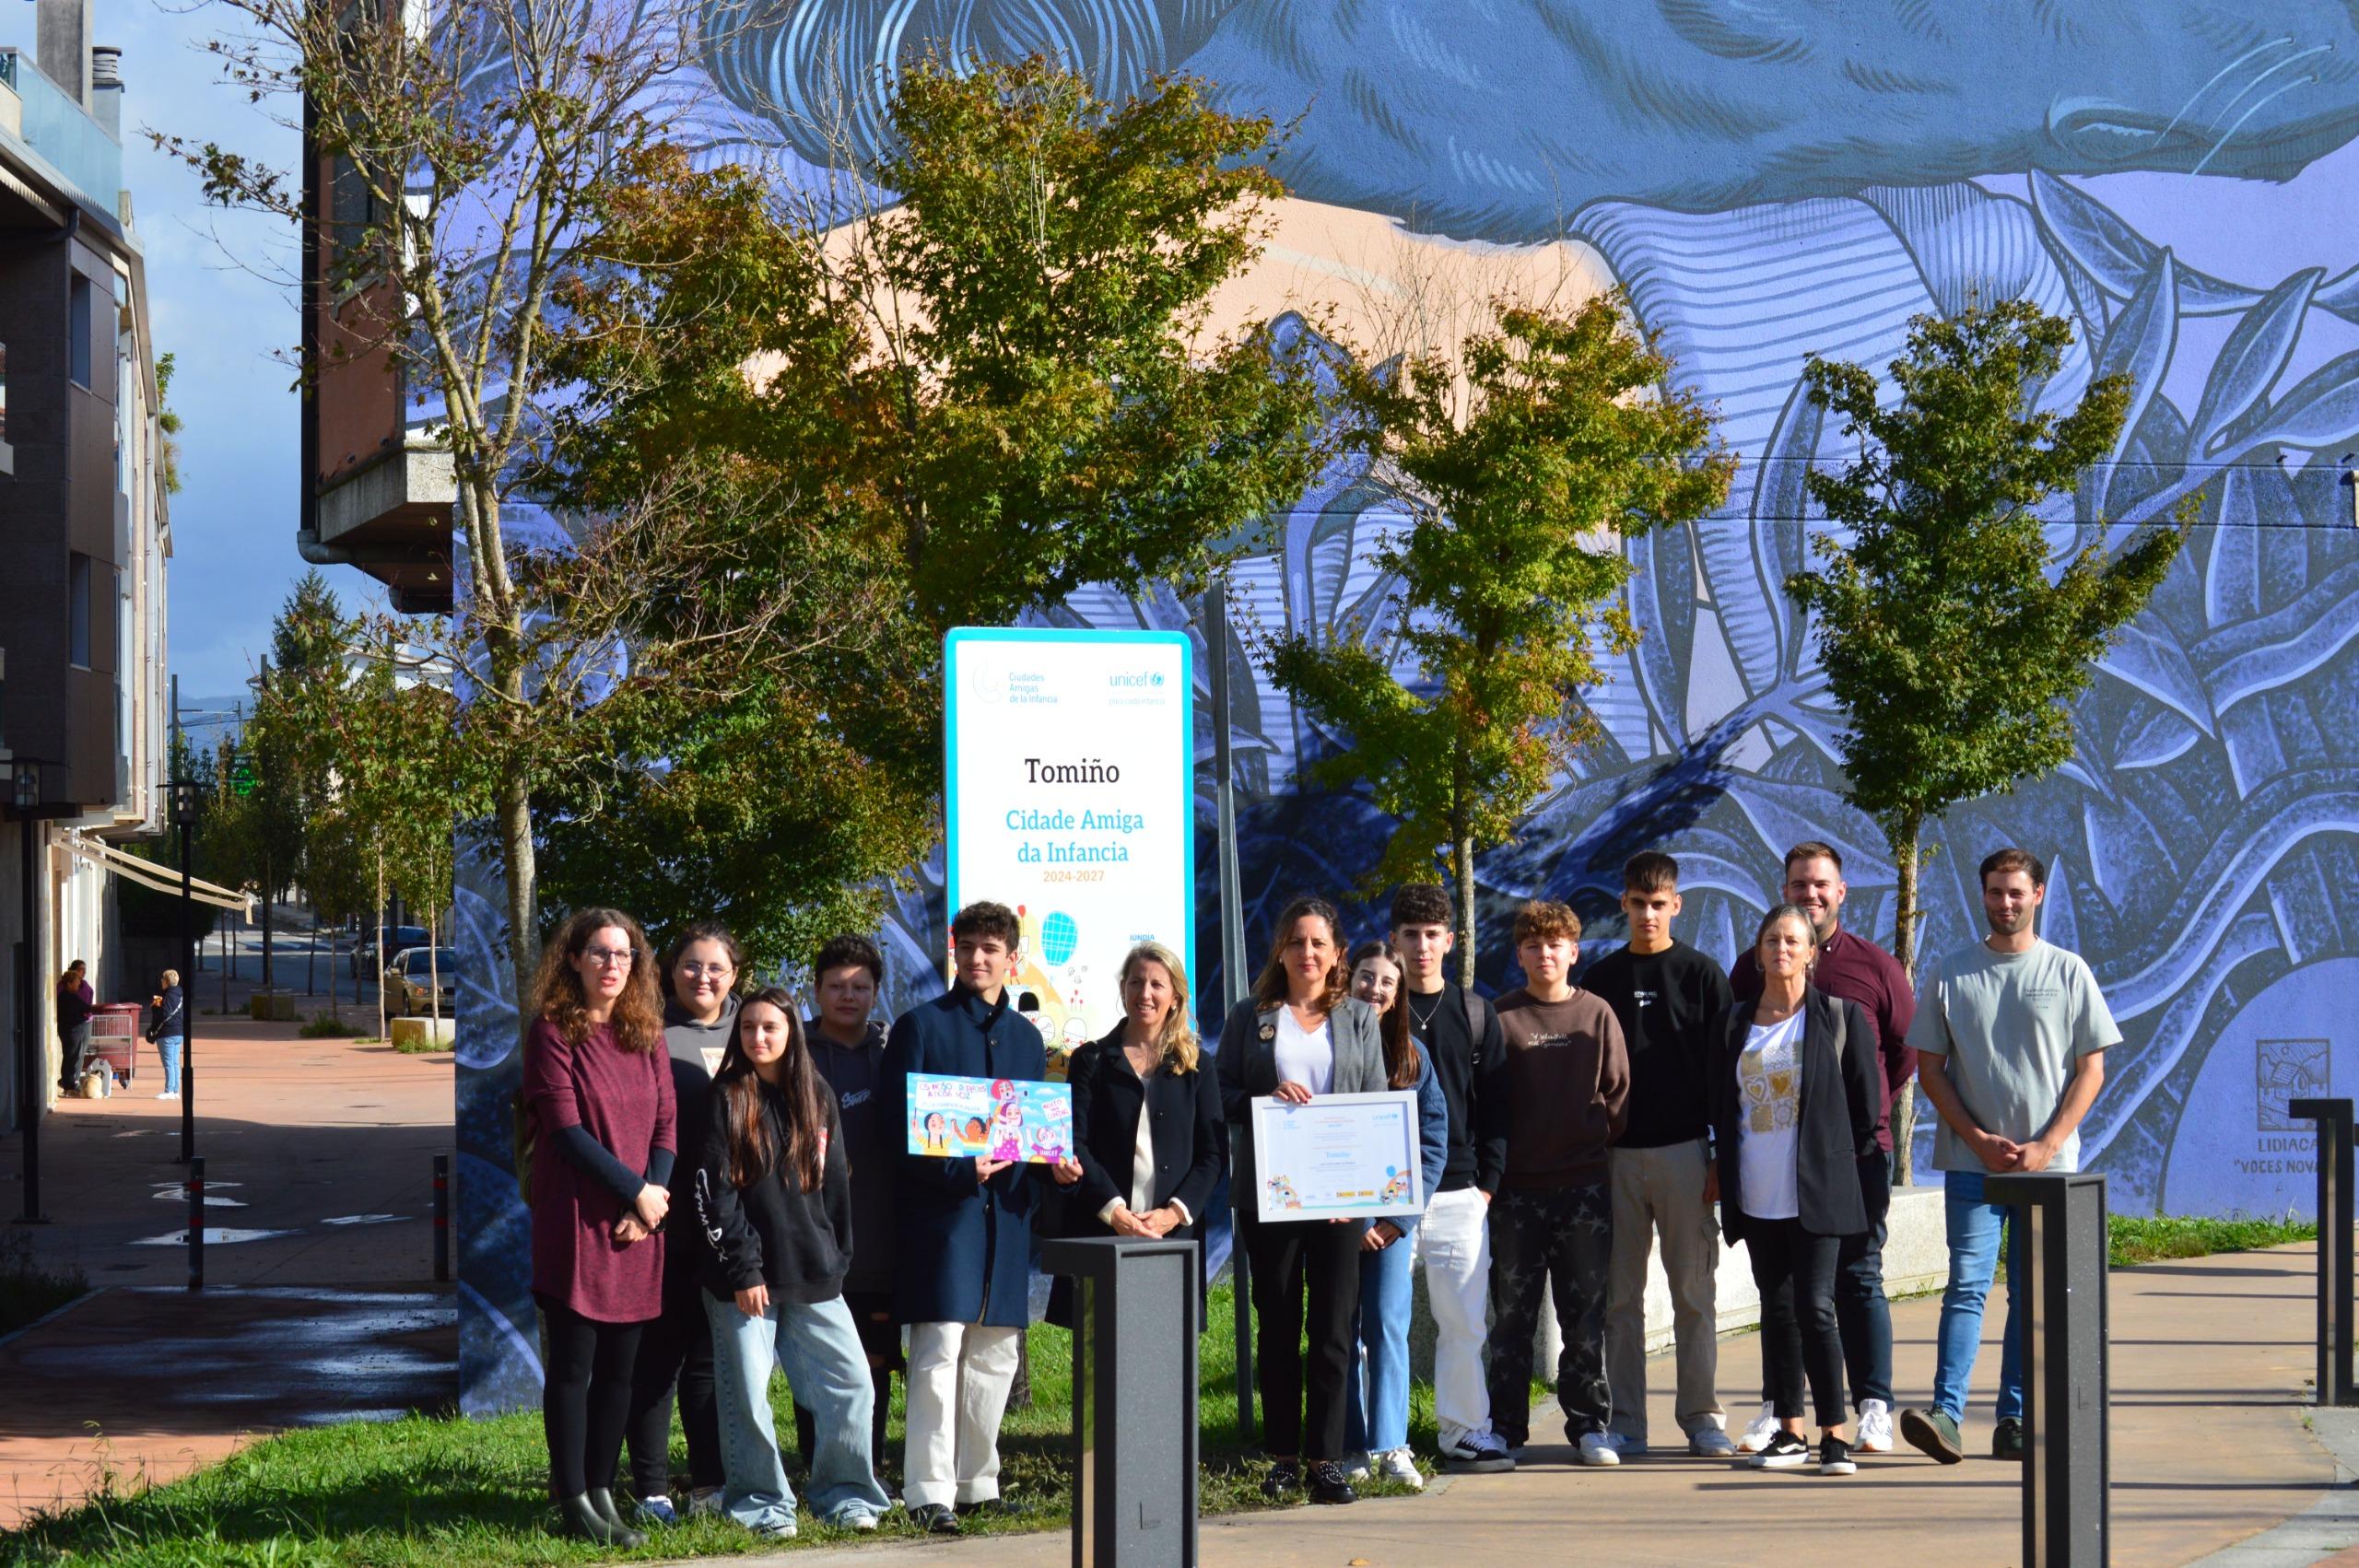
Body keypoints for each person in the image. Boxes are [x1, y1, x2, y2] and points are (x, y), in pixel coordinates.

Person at [1899, 848, 2118, 1466]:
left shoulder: (2069, 971)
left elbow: (2091, 1069)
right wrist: (1976, 1138)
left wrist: (2047, 1145)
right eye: (1995, 891)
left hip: (2048, 1172)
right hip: (1974, 1167)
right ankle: (1946, 1415)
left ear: (2038, 895)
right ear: (1983, 894)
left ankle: (2015, 1418)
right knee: (1967, 1287)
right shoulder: (1951, 972)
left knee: (2030, 1295)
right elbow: (1930, 1069)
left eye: (2016, 892)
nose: (2005, 903)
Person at [881, 900, 1082, 1535]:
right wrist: (955, 1172)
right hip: (943, 1220)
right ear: (954, 949)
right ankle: (928, 1488)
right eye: (967, 947)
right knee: (940, 1350)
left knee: (995, 1354)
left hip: (1008, 1220)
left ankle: (977, 1482)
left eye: (990, 949)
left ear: (1011, 957)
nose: (977, 958)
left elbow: (1030, 1131)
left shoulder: (1027, 1039)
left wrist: (1056, 1165)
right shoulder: (919, 1027)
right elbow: (895, 1134)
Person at [1730, 841, 1917, 1455]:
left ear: (1841, 893)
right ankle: (1782, 1415)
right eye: (1798, 884)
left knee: (1853, 1281)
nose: (1810, 894)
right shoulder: (1748, 973)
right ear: (1784, 890)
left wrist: (1846, 1132)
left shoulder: (1874, 968)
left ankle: (1870, 1407)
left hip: (1854, 1157)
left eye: (1821, 885)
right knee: (1782, 1300)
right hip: (1769, 1170)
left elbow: (1900, 1055)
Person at [694, 987, 893, 1539]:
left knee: (852, 1386)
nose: (758, 1037)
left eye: (770, 1028)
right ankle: (761, 1504)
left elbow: (835, 1187)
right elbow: (713, 1194)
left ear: (790, 1035)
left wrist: (836, 1258)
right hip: (745, 1282)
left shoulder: (817, 1095)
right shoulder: (727, 1097)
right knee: (749, 1400)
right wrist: (742, 1270)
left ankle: (845, 1494)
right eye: (749, 1027)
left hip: (814, 1274)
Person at [1217, 895, 1388, 1506]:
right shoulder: (1252, 1016)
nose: (1307, 953)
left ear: (1337, 953)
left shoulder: (1360, 1019)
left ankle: (1327, 1459)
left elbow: (1372, 1104)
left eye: (1318, 943)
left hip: (1340, 1201)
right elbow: (1223, 1092)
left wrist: (1362, 1192)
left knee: (1336, 1329)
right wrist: (1266, 1097)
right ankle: (1283, 1457)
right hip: (1271, 1196)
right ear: (1280, 951)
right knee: (1279, 1325)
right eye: (1296, 941)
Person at [522, 908, 676, 1548]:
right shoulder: (553, 1032)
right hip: (579, 1223)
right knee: (575, 1368)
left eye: (625, 954)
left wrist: (651, 1202)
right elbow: (565, 1130)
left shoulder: (648, 1033)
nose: (613, 965)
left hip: (638, 1226)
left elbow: (667, 1124)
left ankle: (605, 1489)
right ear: (575, 960)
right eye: (600, 953)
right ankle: (575, 1498)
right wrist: (636, 1193)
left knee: (622, 1371)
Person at [1714, 904, 1880, 1478]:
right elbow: (1723, 1105)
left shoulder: (1838, 1017)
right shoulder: (1736, 1023)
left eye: (1792, 941)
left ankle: (1835, 1434)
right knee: (1778, 1310)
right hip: (1757, 1193)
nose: (1781, 949)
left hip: (1817, 1192)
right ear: (1758, 952)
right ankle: (1790, 1432)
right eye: (1770, 940)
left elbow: (1866, 1109)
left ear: (1812, 952)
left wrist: (1837, 1166)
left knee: (1815, 1306)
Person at [1584, 852, 1734, 1457]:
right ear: (1623, 904)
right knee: (1619, 1301)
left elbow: (1727, 1076)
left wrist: (1722, 1156)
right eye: (1638, 903)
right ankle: (1626, 1424)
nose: (1648, 914)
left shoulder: (1702, 975)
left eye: (1659, 903)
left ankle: (1701, 1418)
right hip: (1615, 1159)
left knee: (1694, 1295)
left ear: (1676, 905)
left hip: (1686, 1154)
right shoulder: (1598, 979)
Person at [1487, 900, 1628, 1468]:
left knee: (1584, 1314)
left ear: (1574, 952)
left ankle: (1590, 1426)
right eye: (1533, 945)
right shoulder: (1500, 1018)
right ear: (1519, 953)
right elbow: (1488, 1101)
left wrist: (1587, 1141)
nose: (1545, 954)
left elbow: (1618, 1095)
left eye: (1556, 945)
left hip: (1583, 1190)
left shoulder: (1597, 1014)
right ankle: (1503, 1428)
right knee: (1511, 1316)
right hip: (1517, 1192)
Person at [1388, 883, 1513, 1473]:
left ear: (1451, 940)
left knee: (1463, 1321)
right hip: (1385, 1192)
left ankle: (1464, 1430)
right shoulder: (1373, 1013)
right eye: (1410, 935)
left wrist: (1486, 1184)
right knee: (1379, 1322)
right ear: (1394, 940)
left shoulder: (1475, 1012)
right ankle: (1376, 1439)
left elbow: (1496, 1109)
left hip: (1461, 1192)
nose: (1421, 947)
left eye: (1432, 935)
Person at [622, 922, 735, 1527]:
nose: (703, 977)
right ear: (671, 972)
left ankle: (711, 1482)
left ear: (734, 975)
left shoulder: (755, 1031)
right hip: (666, 1221)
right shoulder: (648, 1033)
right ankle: (651, 1488)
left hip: (731, 1225)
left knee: (708, 1363)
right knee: (658, 1360)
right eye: (691, 965)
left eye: (716, 967)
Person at [1052, 942, 1226, 1324]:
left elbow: (1213, 1155)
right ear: (1123, 990)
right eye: (1135, 983)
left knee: (1163, 1359)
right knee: (1102, 1362)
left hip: (1171, 1238)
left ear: (1176, 997)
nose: (1144, 994)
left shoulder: (1198, 1067)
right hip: (1102, 1233)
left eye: (1156, 985)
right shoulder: (1091, 1060)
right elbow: (1075, 1142)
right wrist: (1114, 1212)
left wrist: (1172, 1214)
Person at [1339, 942, 1449, 1492]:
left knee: (1387, 1326)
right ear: (1347, 979)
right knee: (1342, 1330)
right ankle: (1352, 1444)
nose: (1374, 990)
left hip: (1391, 1225)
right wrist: (1348, 1220)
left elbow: (1432, 1144)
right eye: (1365, 977)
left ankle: (1390, 1445)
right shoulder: (1325, 1047)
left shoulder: (1414, 1058)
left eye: (1386, 981)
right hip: (1334, 1224)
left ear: (1399, 992)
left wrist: (1397, 1220)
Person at [796, 933, 899, 1486]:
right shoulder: (793, 1053)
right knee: (818, 1361)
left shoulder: (895, 1054)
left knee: (875, 1361)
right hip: (812, 1236)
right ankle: (818, 1467)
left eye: (860, 986)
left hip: (879, 1236)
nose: (848, 996)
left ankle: (870, 1466)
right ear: (816, 990)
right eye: (836, 986)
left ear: (876, 993)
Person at [56, 960, 94, 1094]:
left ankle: (73, 1081)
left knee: (77, 1055)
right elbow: (84, 1007)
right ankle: (68, 1084)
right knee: (71, 1055)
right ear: (70, 983)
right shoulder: (65, 994)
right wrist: (94, 1009)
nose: (78, 984)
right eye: (80, 970)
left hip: (81, 1025)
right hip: (71, 1028)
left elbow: (87, 1002)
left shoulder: (83, 988)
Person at [147, 969, 186, 1100]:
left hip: (167, 1033)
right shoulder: (179, 994)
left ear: (166, 981)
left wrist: (154, 1007)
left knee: (169, 1063)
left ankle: (169, 1090)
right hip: (179, 1032)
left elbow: (163, 1014)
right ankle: (175, 1090)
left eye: (162, 979)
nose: (161, 982)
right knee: (175, 1062)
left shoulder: (168, 996)